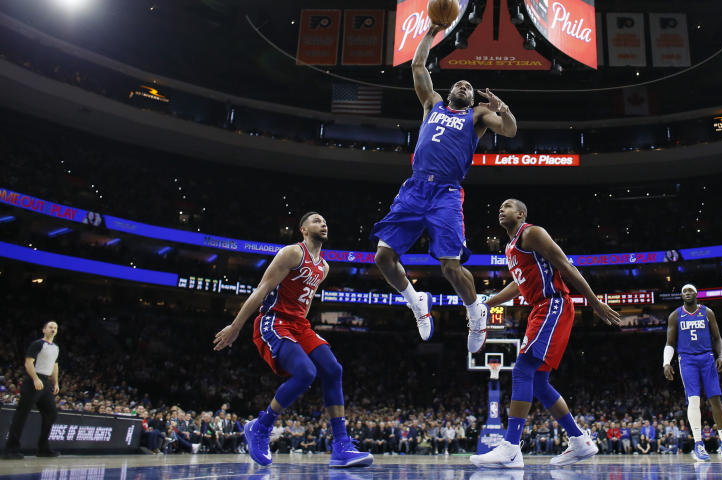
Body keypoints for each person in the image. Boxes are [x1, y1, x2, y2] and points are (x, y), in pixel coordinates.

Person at [372, 24, 518, 352]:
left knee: (451, 266)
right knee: (383, 257)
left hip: (447, 194)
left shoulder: (478, 115)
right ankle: (415, 301)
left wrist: (503, 108)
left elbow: (509, 131)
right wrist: (432, 31)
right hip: (414, 188)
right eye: (460, 84)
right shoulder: (432, 104)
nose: (464, 87)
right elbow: (417, 66)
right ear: (450, 92)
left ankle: (476, 311)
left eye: (468, 86)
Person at [213, 212, 373, 468]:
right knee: (306, 373)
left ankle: (341, 446)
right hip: (274, 320)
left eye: (325, 221)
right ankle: (261, 427)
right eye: (317, 220)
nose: (323, 223)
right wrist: (236, 326)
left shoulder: (324, 267)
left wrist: (304, 331)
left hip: (299, 325)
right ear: (303, 229)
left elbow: (306, 303)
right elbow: (261, 290)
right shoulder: (292, 253)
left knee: (333, 369)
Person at [470, 199, 620, 468]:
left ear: (521, 213)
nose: (501, 210)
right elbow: (519, 285)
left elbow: (566, 266)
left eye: (507, 206)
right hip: (539, 309)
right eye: (499, 207)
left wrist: (594, 302)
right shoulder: (510, 247)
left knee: (522, 369)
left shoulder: (532, 233)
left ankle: (511, 447)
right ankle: (579, 441)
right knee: (538, 382)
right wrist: (486, 303)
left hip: (554, 304)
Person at [663, 284, 722, 462]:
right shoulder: (675, 315)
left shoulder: (707, 312)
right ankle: (698, 444)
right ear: (681, 296)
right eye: (684, 292)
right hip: (687, 360)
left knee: (715, 399)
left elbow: (717, 338)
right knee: (694, 400)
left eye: (690, 291)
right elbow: (670, 342)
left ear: (696, 294)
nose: (687, 293)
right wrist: (666, 363)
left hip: (707, 357)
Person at [2, 321, 61, 459]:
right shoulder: (38, 344)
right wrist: (35, 378)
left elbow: (55, 366)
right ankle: (11, 449)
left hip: (46, 382)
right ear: (44, 330)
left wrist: (56, 382)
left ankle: (43, 448)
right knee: (22, 414)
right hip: (34, 381)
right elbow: (28, 362)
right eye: (50, 327)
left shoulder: (56, 347)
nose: (53, 329)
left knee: (51, 414)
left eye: (55, 328)